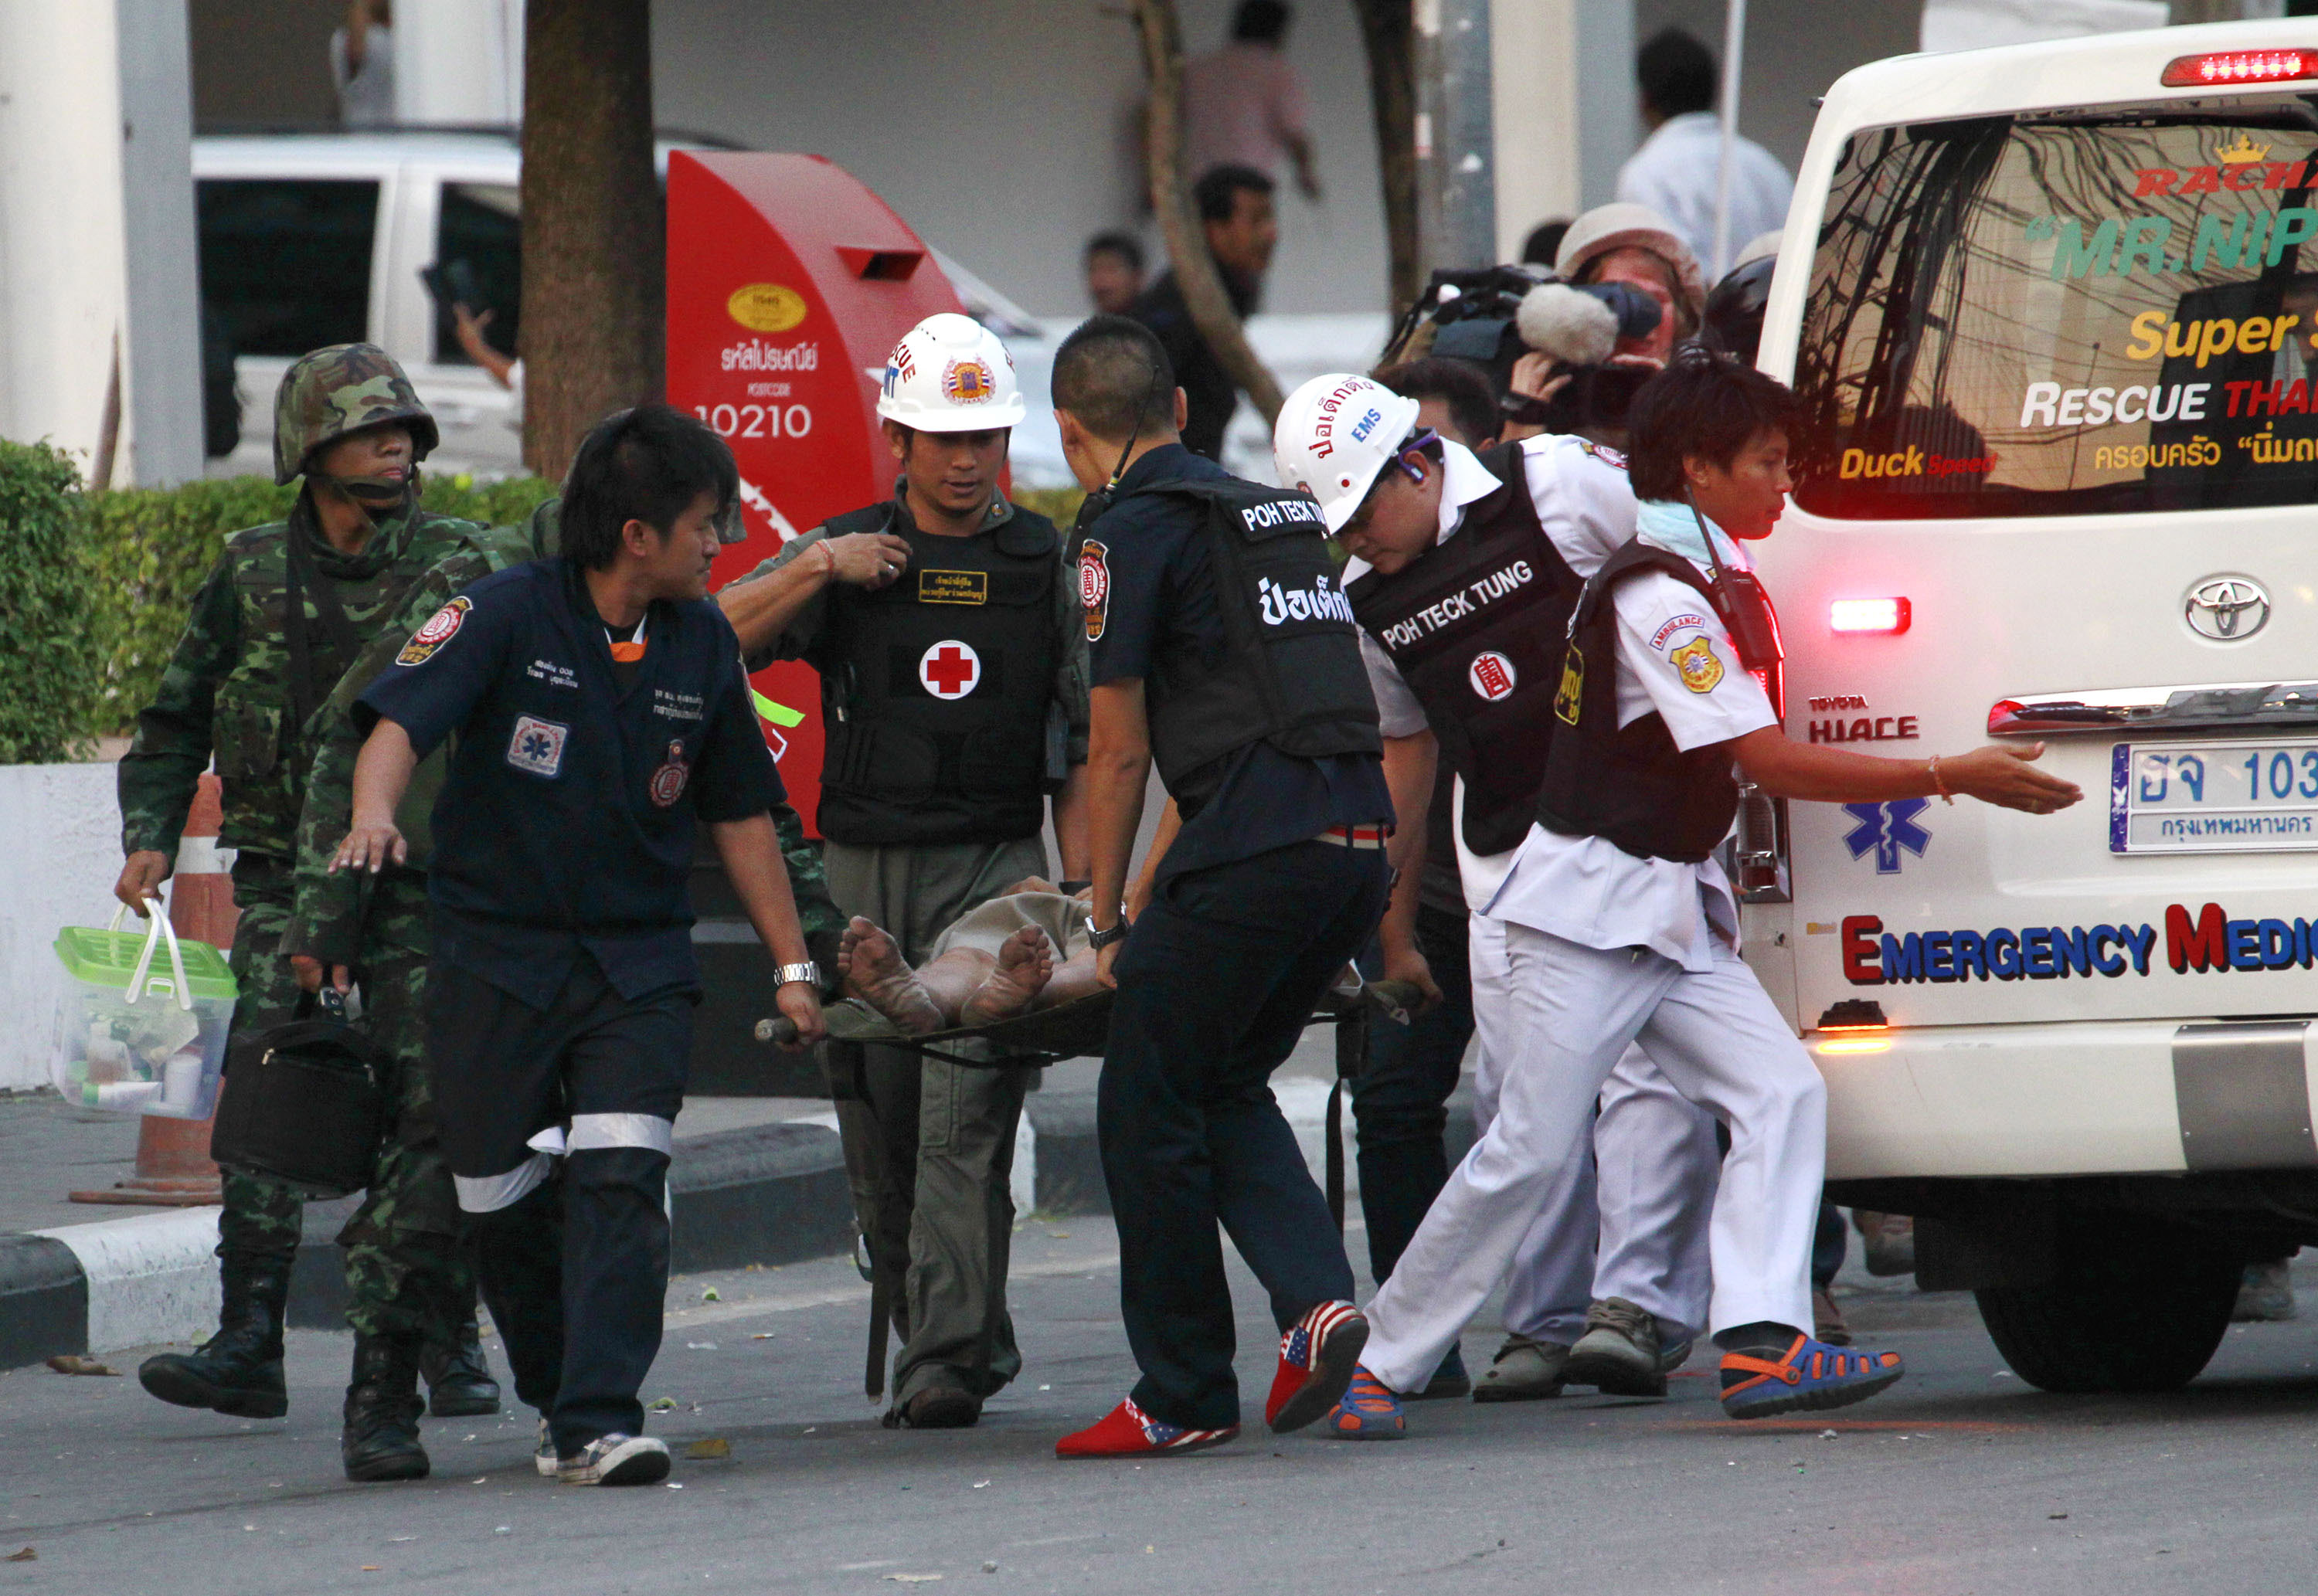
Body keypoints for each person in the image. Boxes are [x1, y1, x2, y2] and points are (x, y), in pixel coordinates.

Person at [1331, 346, 2084, 1431]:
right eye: (1768, 462)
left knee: (1779, 1092)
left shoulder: (1672, 566)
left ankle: (1763, 1344)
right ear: (1696, 469)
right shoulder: (1658, 593)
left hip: (1655, 903)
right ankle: (1380, 1360)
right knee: (1531, 1149)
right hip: (1589, 913)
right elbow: (1766, 759)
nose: (1785, 483)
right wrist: (1943, 774)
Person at [282, 494, 853, 1479]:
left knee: (624, 1171)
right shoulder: (503, 610)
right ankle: (560, 1395)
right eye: (704, 520)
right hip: (492, 958)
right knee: (494, 1193)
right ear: (639, 530)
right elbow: (393, 724)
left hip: (637, 964)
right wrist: (372, 816)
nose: (721, 540)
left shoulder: (702, 643)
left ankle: (597, 1417)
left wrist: (796, 969)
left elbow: (744, 814)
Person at [1279, 372, 1720, 1431]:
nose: (1360, 542)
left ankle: (1677, 1311)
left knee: (1709, 1085)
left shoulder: (1564, 481)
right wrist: (1390, 927)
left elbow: (1706, 564)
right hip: (1519, 869)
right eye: (1336, 526)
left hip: (1654, 837)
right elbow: (1407, 759)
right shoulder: (1368, 598)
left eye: (1364, 514)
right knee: (1528, 1117)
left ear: (1419, 460)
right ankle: (1544, 1316)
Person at [118, 344, 501, 1475]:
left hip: (423, 880)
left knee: (428, 1104)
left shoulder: (458, 560)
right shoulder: (246, 571)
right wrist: (149, 830)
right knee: (277, 1095)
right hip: (286, 872)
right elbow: (176, 713)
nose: (398, 445)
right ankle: (250, 1334)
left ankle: (443, 1337)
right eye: (370, 429)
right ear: (309, 450)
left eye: (406, 430)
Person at [713, 312, 1089, 1431]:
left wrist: (1077, 890)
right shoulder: (845, 550)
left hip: (996, 863)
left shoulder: (1047, 562)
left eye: (983, 435)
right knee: (878, 1120)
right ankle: (957, 1325)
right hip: (863, 868)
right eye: (940, 437)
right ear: (895, 437)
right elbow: (708, 638)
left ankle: (947, 1357)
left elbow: (1080, 733)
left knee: (964, 1115)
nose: (965, 459)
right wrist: (819, 563)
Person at [1047, 314, 1391, 1458]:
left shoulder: (1125, 533)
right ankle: (1318, 1304)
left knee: (1143, 1102)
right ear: (1183, 411)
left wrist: (1102, 913)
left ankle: (1182, 1391)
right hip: (1351, 848)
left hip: (1254, 853)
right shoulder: (1274, 513)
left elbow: (1118, 749)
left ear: (1067, 431)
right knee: (1224, 1075)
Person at [1615, 27, 1793, 280]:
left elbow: (1676, 277)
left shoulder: (1645, 174)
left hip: (1709, 318)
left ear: (1645, 99)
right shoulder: (1764, 165)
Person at [1130, 165, 1278, 461]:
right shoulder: (1177, 306)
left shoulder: (1233, 290)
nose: (1272, 233)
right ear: (1215, 228)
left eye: (1271, 217)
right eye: (1257, 219)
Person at [837, 881, 1103, 1032]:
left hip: (1125, 918)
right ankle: (927, 996)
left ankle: (1032, 994)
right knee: (978, 949)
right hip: (1082, 903)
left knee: (1106, 953)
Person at [1181, 1, 1320, 202]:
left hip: (1197, 184)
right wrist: (1307, 177)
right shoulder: (1277, 71)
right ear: (1278, 32)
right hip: (1248, 186)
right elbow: (1294, 134)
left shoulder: (1198, 68)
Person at [331, 0, 395, 129]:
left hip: (402, 139)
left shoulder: (403, 37)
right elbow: (357, 50)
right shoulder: (348, 39)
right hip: (366, 139)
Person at [1085, 233, 1147, 318]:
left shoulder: (1159, 325)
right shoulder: (1095, 328)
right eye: (1093, 270)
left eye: (1111, 270)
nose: (1101, 282)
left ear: (1136, 276)